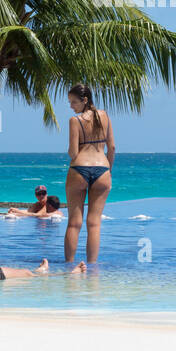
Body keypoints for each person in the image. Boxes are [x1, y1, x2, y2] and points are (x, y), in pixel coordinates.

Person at [65, 83, 114, 263]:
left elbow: (72, 152)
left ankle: (69, 268)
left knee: (74, 223)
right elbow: (113, 147)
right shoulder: (105, 116)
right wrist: (109, 170)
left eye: (73, 102)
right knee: (94, 224)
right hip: (103, 169)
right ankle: (92, 269)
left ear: (85, 100)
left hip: (79, 168)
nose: (71, 106)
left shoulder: (74, 121)